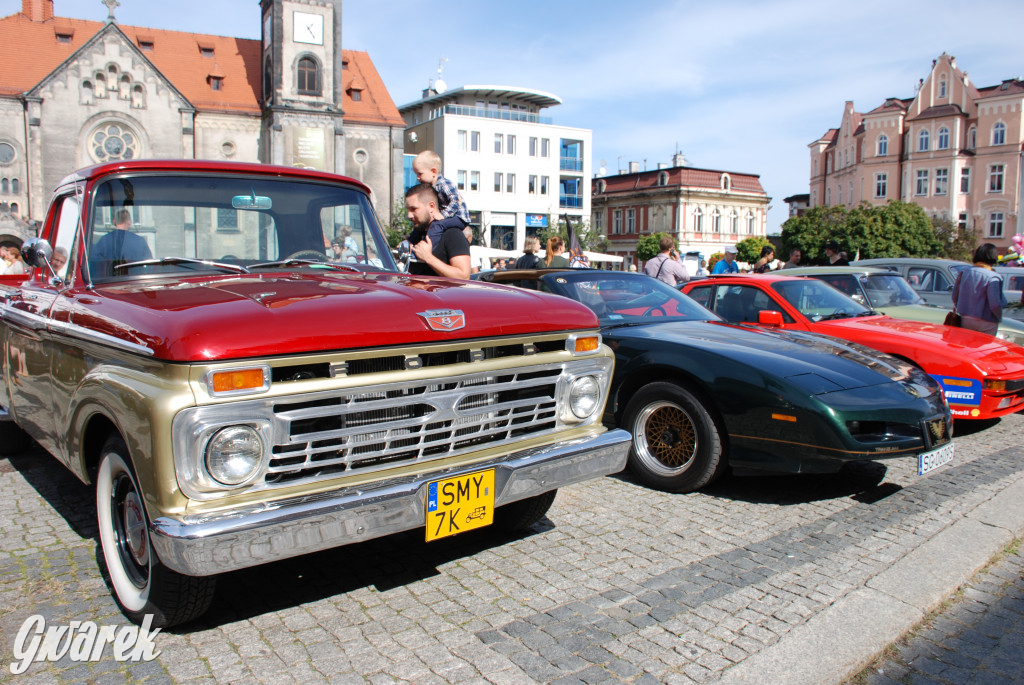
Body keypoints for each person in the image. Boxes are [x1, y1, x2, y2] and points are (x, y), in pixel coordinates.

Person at [405, 183, 471, 279]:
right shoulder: (417, 235)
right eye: (408, 210)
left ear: (431, 206)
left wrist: (428, 258)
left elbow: (463, 276)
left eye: (414, 209)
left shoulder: (452, 233)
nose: (409, 215)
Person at [951, 243, 1006, 335]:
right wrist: (999, 317)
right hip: (987, 321)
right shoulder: (993, 277)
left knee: (966, 344)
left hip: (966, 318)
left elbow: (954, 296)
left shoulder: (964, 272)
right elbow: (995, 304)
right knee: (985, 344)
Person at [412, 150, 470, 227]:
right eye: (416, 174)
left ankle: (433, 235)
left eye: (420, 174)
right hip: (449, 217)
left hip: (458, 217)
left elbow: (455, 201)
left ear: (433, 171)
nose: (418, 178)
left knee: (437, 225)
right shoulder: (432, 187)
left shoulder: (444, 184)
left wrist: (443, 215)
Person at [91, 209, 152, 274]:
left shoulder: (103, 241)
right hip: (135, 278)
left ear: (114, 222)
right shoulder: (140, 241)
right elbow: (149, 265)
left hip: (111, 278)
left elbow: (94, 266)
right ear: (129, 222)